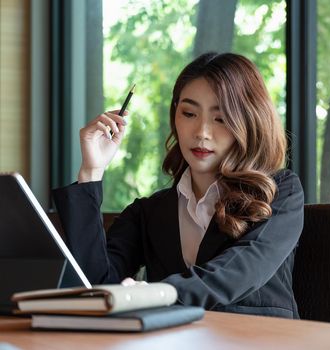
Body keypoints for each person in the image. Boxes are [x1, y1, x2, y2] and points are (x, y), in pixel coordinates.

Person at [52, 52, 305, 319]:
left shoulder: (280, 192)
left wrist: (156, 294)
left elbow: (239, 272)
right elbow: (96, 285)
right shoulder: (150, 212)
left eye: (220, 118)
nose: (202, 132)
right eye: (189, 113)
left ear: (250, 121)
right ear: (175, 117)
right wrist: (91, 170)